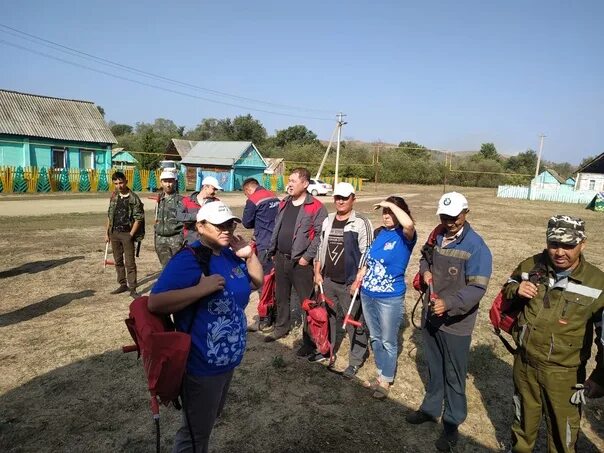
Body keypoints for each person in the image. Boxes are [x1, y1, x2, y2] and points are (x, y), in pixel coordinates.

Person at [148, 200, 263, 453]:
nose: (226, 230)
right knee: (195, 434)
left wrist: (250, 255)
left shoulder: (230, 255)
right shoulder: (189, 259)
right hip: (201, 365)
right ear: (200, 226)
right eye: (219, 225)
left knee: (205, 424)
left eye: (230, 224)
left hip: (227, 361)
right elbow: (155, 302)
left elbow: (257, 281)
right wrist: (199, 290)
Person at [501, 215, 604, 453]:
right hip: (524, 365)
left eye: (568, 245)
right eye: (554, 244)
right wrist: (517, 289)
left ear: (583, 244)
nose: (559, 252)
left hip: (564, 375)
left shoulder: (597, 284)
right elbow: (507, 288)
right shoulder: (531, 265)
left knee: (562, 433)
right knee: (522, 423)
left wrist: (600, 378)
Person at [406, 191, 492, 452]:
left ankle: (452, 424)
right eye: (444, 216)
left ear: (465, 213)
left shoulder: (477, 247)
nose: (449, 221)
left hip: (456, 323)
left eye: (453, 217)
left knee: (454, 374)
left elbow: (478, 289)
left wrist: (449, 303)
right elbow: (423, 258)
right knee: (434, 366)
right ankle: (431, 409)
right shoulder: (437, 235)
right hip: (431, 316)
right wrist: (426, 271)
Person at [356, 196, 416, 397]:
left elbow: (408, 223)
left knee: (388, 340)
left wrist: (389, 203)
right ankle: (381, 374)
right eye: (384, 212)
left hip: (390, 297)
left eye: (391, 212)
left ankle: (386, 380)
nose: (387, 215)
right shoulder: (380, 234)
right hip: (368, 293)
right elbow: (370, 259)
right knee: (375, 337)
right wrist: (362, 272)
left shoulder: (405, 236)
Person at [265, 167, 328, 359]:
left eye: (293, 180)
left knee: (306, 303)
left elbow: (320, 236)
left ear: (305, 184)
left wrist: (306, 257)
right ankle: (281, 327)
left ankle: (309, 341)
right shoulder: (284, 203)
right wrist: (274, 251)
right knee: (281, 296)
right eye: (289, 180)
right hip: (281, 258)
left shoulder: (316, 206)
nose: (289, 183)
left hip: (301, 263)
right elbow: (278, 227)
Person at [314, 182, 373, 374]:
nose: (340, 201)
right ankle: (326, 350)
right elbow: (320, 247)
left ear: (353, 199)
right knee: (327, 318)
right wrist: (317, 272)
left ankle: (356, 359)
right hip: (328, 280)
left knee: (353, 322)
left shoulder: (361, 222)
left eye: (345, 197)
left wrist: (358, 280)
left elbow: (367, 253)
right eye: (337, 197)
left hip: (349, 283)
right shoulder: (328, 220)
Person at [241, 177, 280, 331]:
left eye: (246, 194)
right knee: (275, 282)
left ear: (248, 189)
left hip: (264, 245)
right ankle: (276, 315)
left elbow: (246, 222)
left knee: (263, 282)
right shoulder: (274, 196)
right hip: (277, 244)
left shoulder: (254, 199)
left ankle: (265, 318)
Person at [105, 171, 145, 298]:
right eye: (116, 183)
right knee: (118, 261)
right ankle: (122, 284)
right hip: (114, 233)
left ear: (126, 181)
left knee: (130, 262)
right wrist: (107, 233)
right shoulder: (114, 196)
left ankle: (133, 288)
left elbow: (138, 218)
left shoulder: (134, 198)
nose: (119, 186)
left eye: (121, 182)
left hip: (127, 234)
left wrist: (131, 234)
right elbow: (109, 216)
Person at [154, 169, 186, 267]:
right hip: (160, 239)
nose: (168, 184)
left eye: (171, 181)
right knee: (165, 268)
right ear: (161, 182)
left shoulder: (181, 200)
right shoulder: (159, 200)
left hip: (175, 239)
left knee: (178, 268)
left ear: (175, 182)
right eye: (165, 181)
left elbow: (185, 220)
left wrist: (181, 239)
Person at [178, 175, 222, 244]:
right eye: (214, 189)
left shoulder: (216, 202)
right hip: (190, 241)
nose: (215, 192)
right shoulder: (186, 200)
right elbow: (179, 216)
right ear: (205, 187)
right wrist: (198, 216)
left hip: (210, 241)